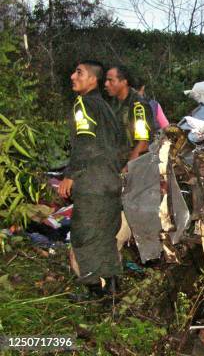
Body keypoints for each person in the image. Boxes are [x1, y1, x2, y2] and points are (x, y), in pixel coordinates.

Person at [58, 60, 127, 297]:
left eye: (79, 72)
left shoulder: (83, 105)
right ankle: (113, 293)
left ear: (92, 80)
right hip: (111, 181)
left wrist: (70, 175)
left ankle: (93, 294)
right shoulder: (108, 108)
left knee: (84, 236)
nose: (72, 76)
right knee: (106, 236)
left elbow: (86, 144)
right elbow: (121, 145)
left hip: (93, 183)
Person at [104, 65, 155, 164]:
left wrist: (128, 168)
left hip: (137, 165)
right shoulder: (113, 104)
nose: (106, 84)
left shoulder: (138, 106)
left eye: (111, 80)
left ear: (124, 82)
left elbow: (143, 142)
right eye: (106, 80)